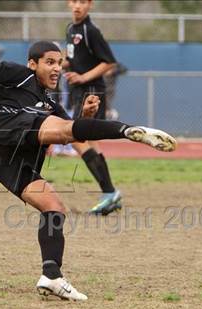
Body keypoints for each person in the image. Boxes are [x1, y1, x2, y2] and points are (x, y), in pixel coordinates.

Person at [0, 41, 176, 301]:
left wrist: (85, 115)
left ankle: (52, 276)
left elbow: (72, 127)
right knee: (64, 131)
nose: (57, 68)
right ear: (33, 64)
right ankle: (128, 131)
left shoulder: (48, 104)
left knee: (54, 208)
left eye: (60, 63)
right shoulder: (21, 75)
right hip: (2, 128)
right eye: (50, 62)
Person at [63, 0, 122, 215]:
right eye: (75, 1)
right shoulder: (71, 29)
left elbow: (108, 62)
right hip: (79, 91)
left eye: (83, 1)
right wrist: (54, 63)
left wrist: (83, 77)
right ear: (69, 4)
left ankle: (109, 191)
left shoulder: (91, 31)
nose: (78, 6)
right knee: (91, 143)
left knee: (76, 139)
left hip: (92, 91)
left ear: (90, 5)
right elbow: (72, 59)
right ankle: (109, 194)